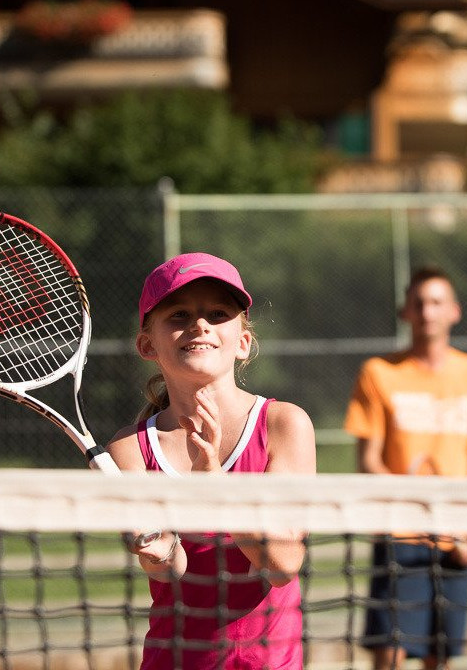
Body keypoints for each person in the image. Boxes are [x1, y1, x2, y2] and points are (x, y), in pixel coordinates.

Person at [107, 252, 316, 670]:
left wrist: (215, 486)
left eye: (218, 313)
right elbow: (170, 570)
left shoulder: (284, 424)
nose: (199, 325)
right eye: (178, 314)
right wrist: (158, 550)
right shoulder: (129, 449)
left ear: (243, 342)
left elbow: (282, 564)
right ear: (148, 344)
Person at [344, 265, 467, 670]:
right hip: (401, 537)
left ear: (454, 311)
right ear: (406, 312)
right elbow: (369, 462)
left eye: (436, 302)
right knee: (391, 654)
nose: (427, 311)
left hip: (457, 539)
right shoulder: (378, 373)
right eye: (419, 303)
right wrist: (416, 498)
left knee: (441, 657)